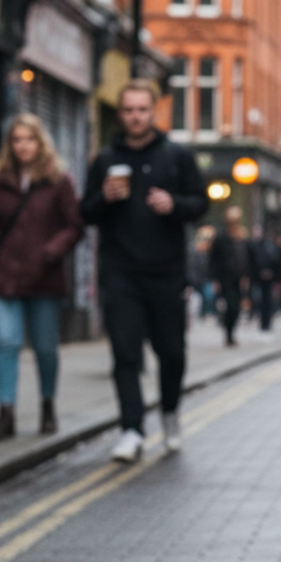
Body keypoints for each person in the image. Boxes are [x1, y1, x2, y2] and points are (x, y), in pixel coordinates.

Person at [81, 80, 208, 462]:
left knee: (171, 353)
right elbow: (84, 212)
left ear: (154, 112)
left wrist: (175, 204)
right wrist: (103, 199)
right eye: (128, 110)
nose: (135, 117)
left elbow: (200, 203)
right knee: (125, 354)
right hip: (120, 272)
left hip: (166, 271)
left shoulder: (177, 157)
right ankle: (132, 430)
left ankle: (169, 412)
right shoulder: (105, 160)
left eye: (142, 110)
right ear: (120, 114)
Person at [0, 114, 84, 440]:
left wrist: (51, 251)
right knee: (5, 343)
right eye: (17, 139)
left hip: (44, 278)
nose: (23, 146)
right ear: (10, 144)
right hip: (5, 278)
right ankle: (6, 411)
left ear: (40, 141)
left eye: (29, 139)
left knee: (46, 347)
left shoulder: (58, 180)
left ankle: (47, 404)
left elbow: (75, 226)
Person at [210, 206, 251, 346]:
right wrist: (215, 279)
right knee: (230, 306)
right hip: (225, 279)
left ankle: (231, 332)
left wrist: (246, 276)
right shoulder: (221, 238)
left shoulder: (242, 237)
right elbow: (213, 260)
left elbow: (247, 259)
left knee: (238, 308)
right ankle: (228, 333)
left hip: (239, 279)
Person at [248, 224, 281, 331]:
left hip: (267, 279)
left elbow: (275, 261)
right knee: (257, 300)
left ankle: (266, 322)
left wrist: (271, 274)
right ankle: (261, 321)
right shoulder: (252, 245)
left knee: (267, 301)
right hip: (257, 278)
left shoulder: (268, 246)